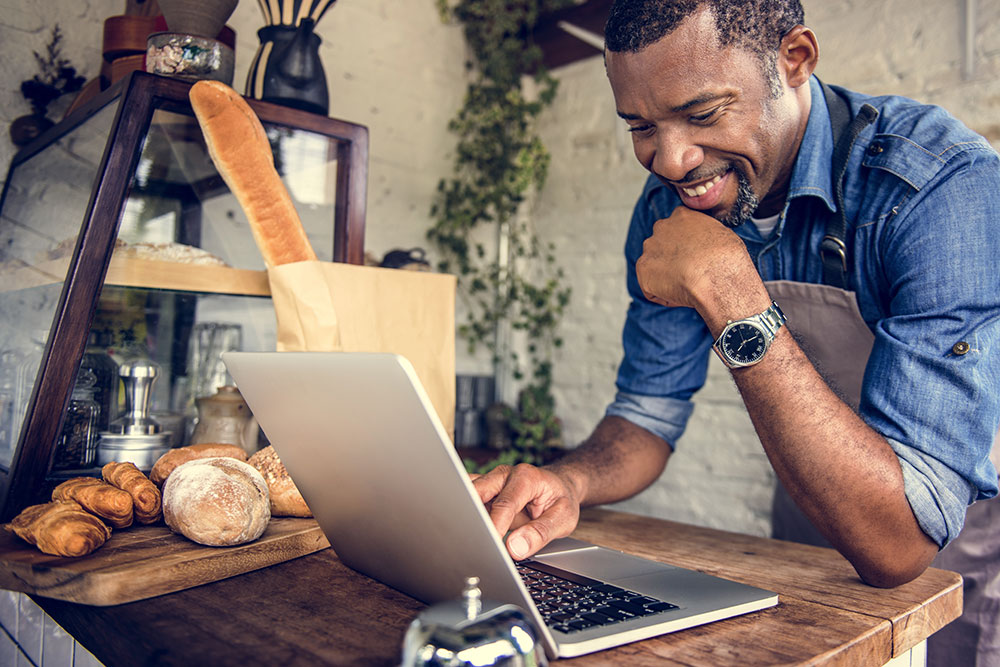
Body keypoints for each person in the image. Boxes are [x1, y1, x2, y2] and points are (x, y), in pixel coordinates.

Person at [472, 0, 1000, 662]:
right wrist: (570, 480)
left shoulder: (936, 185)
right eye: (640, 126)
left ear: (795, 60)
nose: (670, 159)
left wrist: (728, 287)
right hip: (814, 495)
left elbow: (898, 543)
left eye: (701, 114)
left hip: (963, 520)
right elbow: (646, 415)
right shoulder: (675, 202)